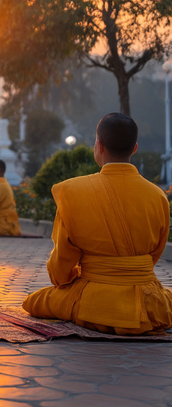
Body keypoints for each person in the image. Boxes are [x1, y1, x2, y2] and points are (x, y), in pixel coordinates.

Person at [23, 113, 172, 335]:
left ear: (99, 145)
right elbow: (154, 254)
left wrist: (66, 281)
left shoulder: (72, 192)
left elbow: (61, 266)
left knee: (34, 301)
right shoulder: (158, 195)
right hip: (148, 301)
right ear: (134, 148)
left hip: (93, 300)